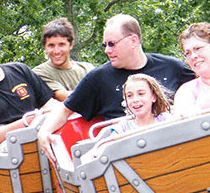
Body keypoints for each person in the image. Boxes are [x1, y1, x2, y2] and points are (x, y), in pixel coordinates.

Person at [38, 14, 195, 162]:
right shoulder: (98, 78)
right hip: (127, 159)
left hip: (177, 150)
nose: (107, 50)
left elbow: (203, 86)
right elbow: (65, 109)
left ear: (133, 40)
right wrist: (44, 132)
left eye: (112, 44)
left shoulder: (172, 67)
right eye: (105, 45)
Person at [32, 17, 94, 101]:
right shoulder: (38, 74)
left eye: (61, 44)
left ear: (71, 45)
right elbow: (63, 96)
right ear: (45, 47)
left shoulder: (87, 69)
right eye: (51, 45)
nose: (56, 51)